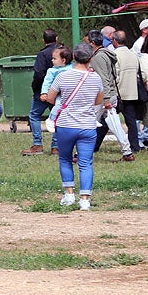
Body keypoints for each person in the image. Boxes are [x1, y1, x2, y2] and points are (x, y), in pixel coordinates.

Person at [45, 43, 104, 211]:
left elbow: (50, 97)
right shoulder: (96, 78)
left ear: (74, 58)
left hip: (66, 125)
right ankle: (85, 199)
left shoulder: (63, 76)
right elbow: (98, 101)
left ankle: (69, 194)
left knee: (65, 158)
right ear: (90, 59)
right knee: (86, 163)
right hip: (87, 125)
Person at [85, 30, 134, 162]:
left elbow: (103, 79)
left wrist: (106, 99)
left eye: (87, 42)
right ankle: (127, 151)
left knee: (88, 123)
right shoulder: (105, 54)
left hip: (104, 96)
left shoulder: (98, 57)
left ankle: (81, 153)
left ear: (93, 43)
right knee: (114, 124)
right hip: (109, 95)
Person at [23, 29, 59, 156]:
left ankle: (37, 144)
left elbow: (39, 74)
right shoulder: (63, 52)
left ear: (43, 41)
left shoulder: (42, 54)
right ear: (57, 39)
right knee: (58, 118)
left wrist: (36, 88)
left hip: (43, 92)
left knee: (34, 116)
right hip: (59, 92)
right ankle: (56, 146)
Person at [111, 30, 142, 155]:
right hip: (131, 92)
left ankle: (95, 145)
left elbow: (114, 75)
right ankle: (134, 146)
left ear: (114, 41)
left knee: (107, 119)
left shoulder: (114, 55)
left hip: (118, 93)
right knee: (131, 121)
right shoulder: (132, 54)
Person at [38, 45, 72, 149]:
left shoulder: (72, 68)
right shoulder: (52, 71)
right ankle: (52, 118)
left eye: (54, 58)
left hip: (71, 93)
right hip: (59, 94)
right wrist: (44, 93)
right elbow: (46, 83)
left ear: (64, 60)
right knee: (58, 105)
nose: (52, 60)